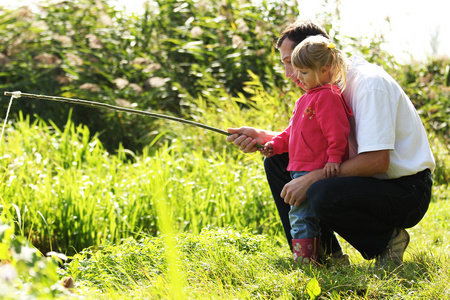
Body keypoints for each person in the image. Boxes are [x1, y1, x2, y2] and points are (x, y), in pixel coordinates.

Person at [227, 20, 435, 266]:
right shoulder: (325, 86)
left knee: (320, 190)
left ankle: (389, 241)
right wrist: (265, 137)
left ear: (317, 55)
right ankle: (322, 256)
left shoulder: (368, 84)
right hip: (365, 182)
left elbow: (378, 161)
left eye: (291, 63)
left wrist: (313, 178)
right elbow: (306, 141)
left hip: (405, 190)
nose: (289, 74)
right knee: (278, 162)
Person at [259, 35, 353, 263]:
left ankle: (306, 262)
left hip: (315, 169)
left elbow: (337, 132)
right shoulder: (304, 100)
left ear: (324, 70)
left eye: (304, 72)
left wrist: (333, 159)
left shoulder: (328, 97)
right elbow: (291, 132)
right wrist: (275, 145)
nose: (297, 77)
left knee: (301, 216)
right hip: (299, 168)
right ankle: (330, 257)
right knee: (307, 216)